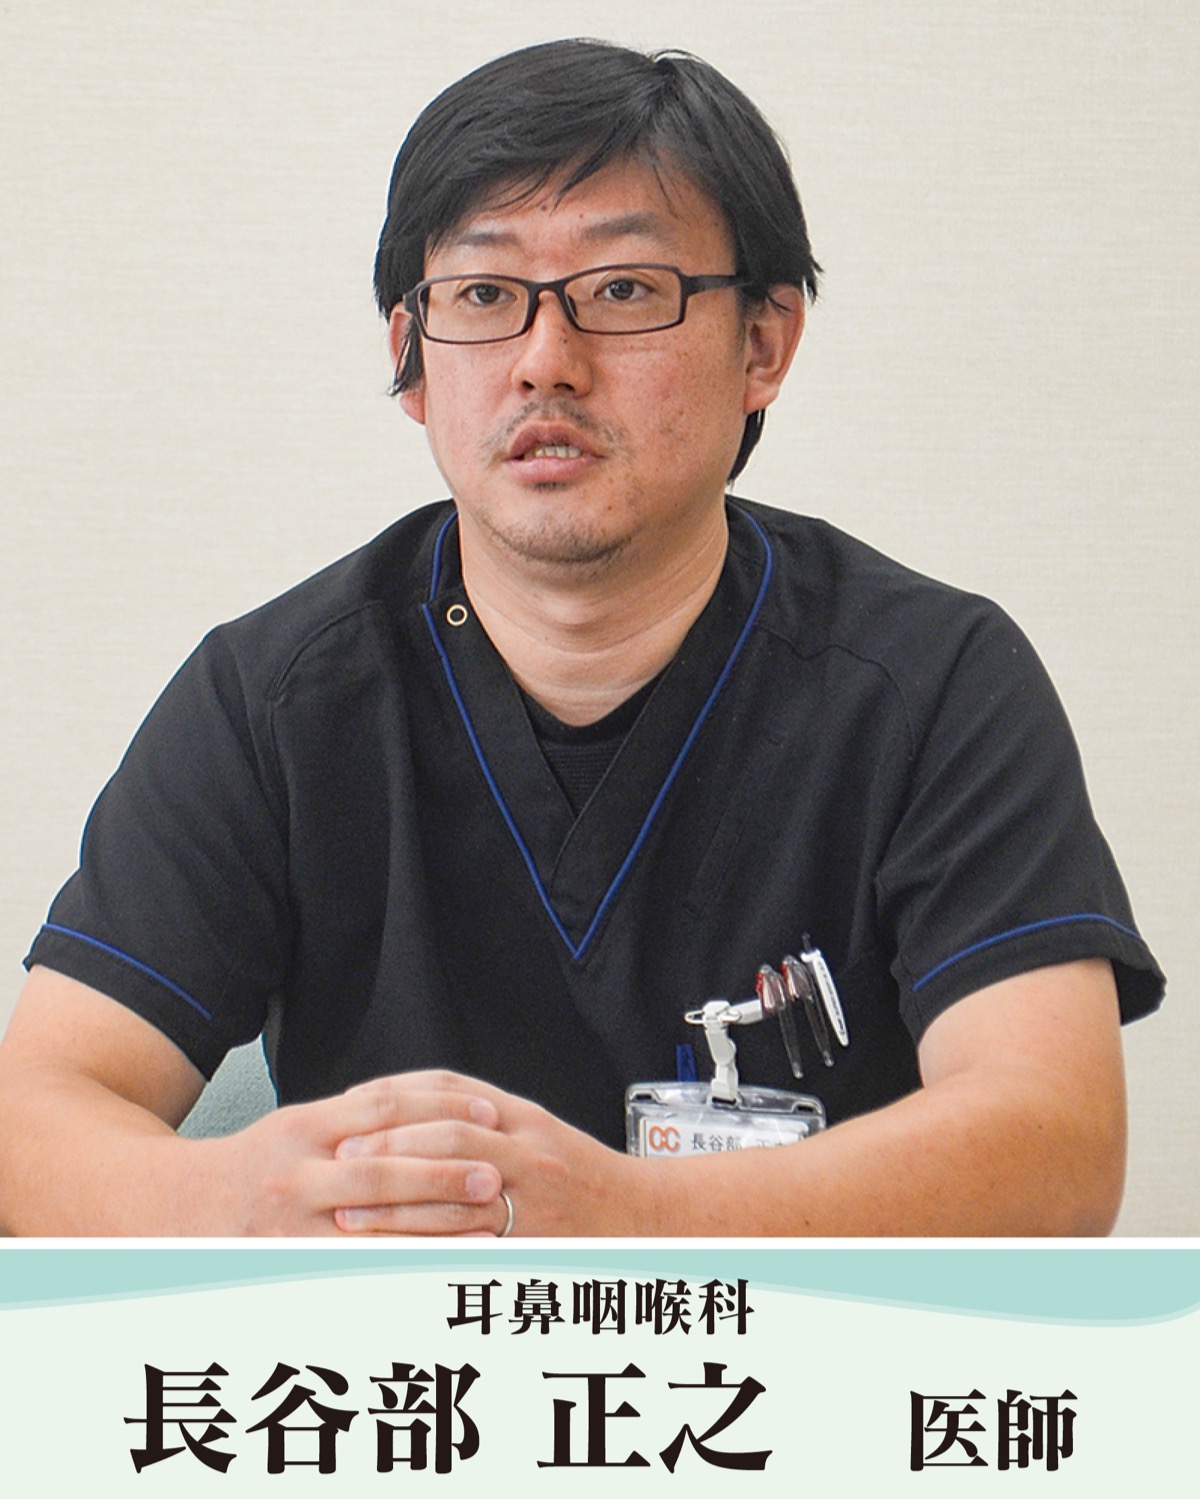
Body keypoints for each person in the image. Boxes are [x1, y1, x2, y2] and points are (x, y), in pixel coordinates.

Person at [0, 39, 1163, 1237]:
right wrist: (239, 1196)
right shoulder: (273, 700)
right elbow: (34, 1117)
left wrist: (627, 1216)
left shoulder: (933, 682)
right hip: (393, 1360)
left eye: (623, 291)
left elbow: (1057, 1144)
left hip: (787, 1357)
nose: (545, 363)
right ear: (410, 360)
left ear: (764, 343)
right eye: (483, 296)